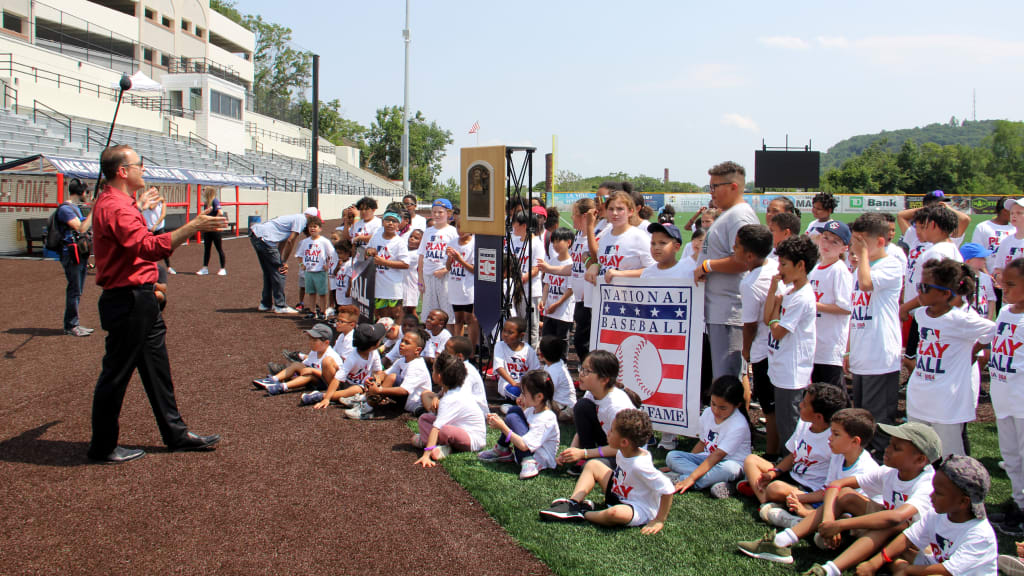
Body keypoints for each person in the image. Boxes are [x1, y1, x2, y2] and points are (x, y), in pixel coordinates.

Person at [87, 144, 226, 463]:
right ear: (122, 171)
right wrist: (193, 227)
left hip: (138, 300)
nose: (143, 168)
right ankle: (103, 446)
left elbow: (136, 242)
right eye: (139, 164)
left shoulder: (117, 202)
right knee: (116, 374)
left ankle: (175, 434)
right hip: (129, 301)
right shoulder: (118, 207)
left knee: (156, 369)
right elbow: (147, 248)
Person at [739, 421, 940, 574]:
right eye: (890, 443)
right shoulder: (889, 472)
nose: (887, 448)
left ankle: (830, 569)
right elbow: (836, 486)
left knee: (895, 530)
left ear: (920, 459)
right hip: (882, 532)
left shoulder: (927, 483)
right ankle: (781, 542)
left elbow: (896, 518)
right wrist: (828, 520)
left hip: (914, 546)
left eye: (896, 448)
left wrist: (840, 525)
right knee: (846, 496)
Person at [903, 259, 993, 456]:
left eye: (925, 287)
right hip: (919, 396)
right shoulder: (921, 315)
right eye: (919, 285)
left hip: (947, 403)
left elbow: (995, 331)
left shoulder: (962, 320)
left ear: (945, 294)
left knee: (950, 458)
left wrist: (974, 350)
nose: (919, 291)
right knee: (918, 452)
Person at [855, 455, 996, 576]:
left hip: (946, 572)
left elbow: (947, 570)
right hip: (933, 564)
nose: (931, 496)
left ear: (963, 501)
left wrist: (907, 570)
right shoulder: (937, 513)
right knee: (894, 549)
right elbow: (908, 538)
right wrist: (874, 563)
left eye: (939, 493)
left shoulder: (980, 535)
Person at [540, 409, 674, 535]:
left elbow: (667, 488)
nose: (608, 432)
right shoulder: (623, 451)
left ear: (624, 442)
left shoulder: (640, 465)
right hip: (618, 492)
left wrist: (659, 519)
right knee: (593, 465)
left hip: (637, 507)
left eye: (612, 430)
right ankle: (573, 503)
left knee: (615, 514)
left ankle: (582, 513)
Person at [759, 407, 879, 528]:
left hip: (848, 516)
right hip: (827, 505)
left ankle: (800, 519)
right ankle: (803, 518)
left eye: (836, 434)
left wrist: (804, 507)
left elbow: (844, 506)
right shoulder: (838, 456)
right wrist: (799, 498)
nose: (830, 438)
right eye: (831, 432)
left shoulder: (865, 469)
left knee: (829, 531)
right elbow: (826, 491)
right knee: (776, 488)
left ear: (855, 442)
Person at [694, 161, 759, 381]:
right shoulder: (729, 214)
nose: (711, 192)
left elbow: (745, 259)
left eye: (715, 186)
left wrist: (707, 266)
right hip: (719, 309)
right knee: (722, 379)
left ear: (733, 186)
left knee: (727, 381)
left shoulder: (739, 216)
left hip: (730, 310)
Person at [848, 213, 906, 455]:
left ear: (880, 241)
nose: (855, 247)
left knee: (878, 421)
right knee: (862, 419)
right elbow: (855, 312)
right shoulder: (861, 268)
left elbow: (866, 285)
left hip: (881, 354)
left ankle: (882, 466)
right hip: (863, 354)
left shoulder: (891, 264)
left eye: (861, 242)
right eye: (854, 242)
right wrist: (849, 349)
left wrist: (861, 255)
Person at [740, 382, 846, 507]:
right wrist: (774, 472)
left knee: (776, 488)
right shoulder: (804, 423)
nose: (800, 405)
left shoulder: (834, 440)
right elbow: (793, 455)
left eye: (805, 405)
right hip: (791, 476)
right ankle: (765, 500)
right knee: (751, 460)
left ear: (818, 417)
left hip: (808, 488)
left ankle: (765, 495)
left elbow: (831, 484)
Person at [765, 235, 819, 447]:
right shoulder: (790, 291)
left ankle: (791, 466)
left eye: (784, 264)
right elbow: (767, 318)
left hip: (792, 371)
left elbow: (777, 330)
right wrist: (773, 291)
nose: (779, 269)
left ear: (801, 265)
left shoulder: (802, 296)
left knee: (791, 424)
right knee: (784, 421)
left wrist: (776, 310)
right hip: (782, 366)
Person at [664, 375, 752, 498]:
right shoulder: (707, 413)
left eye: (723, 408)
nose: (716, 410)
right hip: (707, 459)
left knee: (728, 469)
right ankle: (718, 483)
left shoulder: (739, 424)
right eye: (713, 404)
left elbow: (718, 455)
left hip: (732, 464)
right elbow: (702, 443)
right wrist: (679, 464)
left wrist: (691, 477)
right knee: (672, 456)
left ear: (737, 405)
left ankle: (681, 479)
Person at [735, 224, 780, 458]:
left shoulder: (750, 282)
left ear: (749, 255)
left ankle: (772, 453)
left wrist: (745, 350)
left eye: (737, 247)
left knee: (770, 406)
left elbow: (750, 324)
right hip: (779, 347)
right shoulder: (774, 266)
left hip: (764, 348)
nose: (734, 250)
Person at [556, 350, 636, 475]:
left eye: (587, 371)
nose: (581, 374)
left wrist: (584, 453)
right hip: (610, 440)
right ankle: (587, 458)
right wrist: (571, 450)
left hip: (627, 454)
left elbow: (623, 447)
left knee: (591, 467)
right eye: (581, 369)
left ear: (604, 379)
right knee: (581, 406)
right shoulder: (591, 393)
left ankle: (589, 459)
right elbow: (582, 428)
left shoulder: (616, 406)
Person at [988, 257, 1024, 535]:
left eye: (1011, 284)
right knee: (1011, 456)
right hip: (1003, 399)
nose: (1003, 288)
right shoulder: (1005, 312)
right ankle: (1019, 504)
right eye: (1003, 282)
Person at [479, 370, 561, 479]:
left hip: (537, 458)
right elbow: (519, 425)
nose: (521, 396)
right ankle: (502, 449)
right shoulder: (532, 410)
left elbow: (523, 445)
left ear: (539, 397)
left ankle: (529, 463)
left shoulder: (547, 418)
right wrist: (522, 407)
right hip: (528, 450)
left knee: (512, 416)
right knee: (514, 411)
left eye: (524, 393)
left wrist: (502, 427)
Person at [412, 352, 487, 467]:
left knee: (444, 430)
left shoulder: (450, 399)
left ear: (439, 376)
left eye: (433, 370)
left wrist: (426, 455)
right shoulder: (450, 391)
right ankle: (439, 445)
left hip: (473, 438)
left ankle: (439, 447)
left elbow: (436, 428)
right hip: (457, 427)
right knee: (424, 418)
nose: (432, 373)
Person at [808, 221, 853, 388]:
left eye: (835, 241)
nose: (827, 244)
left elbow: (846, 307)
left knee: (831, 394)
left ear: (844, 248)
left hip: (830, 346)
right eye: (825, 238)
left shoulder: (839, 270)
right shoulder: (816, 268)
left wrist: (814, 304)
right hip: (815, 344)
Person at [351, 329, 431, 420]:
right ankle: (364, 399)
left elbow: (404, 391)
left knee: (392, 377)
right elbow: (383, 374)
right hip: (404, 400)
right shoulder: (401, 360)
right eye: (402, 341)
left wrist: (379, 390)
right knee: (382, 376)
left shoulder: (417, 366)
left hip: (412, 403)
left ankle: (367, 409)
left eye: (407, 343)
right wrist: (375, 381)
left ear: (417, 350)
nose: (401, 344)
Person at [250, 208, 317, 314]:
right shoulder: (302, 219)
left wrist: (280, 259)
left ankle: (265, 304)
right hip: (265, 239)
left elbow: (284, 240)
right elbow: (291, 240)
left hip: (257, 235)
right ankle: (280, 305)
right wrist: (284, 262)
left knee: (269, 272)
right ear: (310, 217)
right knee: (280, 272)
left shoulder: (294, 218)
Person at [309, 322, 385, 409]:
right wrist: (326, 399)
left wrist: (375, 381)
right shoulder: (353, 358)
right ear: (374, 345)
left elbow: (379, 371)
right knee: (327, 361)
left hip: (361, 386)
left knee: (359, 388)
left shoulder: (374, 353)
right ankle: (326, 396)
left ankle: (325, 396)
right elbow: (338, 378)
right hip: (346, 384)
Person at [251, 323, 341, 395]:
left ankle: (282, 387)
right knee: (297, 365)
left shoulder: (332, 356)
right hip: (316, 380)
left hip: (328, 384)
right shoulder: (314, 352)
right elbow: (305, 365)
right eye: (310, 339)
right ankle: (273, 379)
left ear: (326, 342)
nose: (310, 342)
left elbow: (336, 377)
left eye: (314, 340)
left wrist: (312, 371)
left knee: (309, 375)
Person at [57, 177, 94, 337]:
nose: (87, 195)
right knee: (74, 289)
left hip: (80, 253)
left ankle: (74, 323)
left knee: (77, 290)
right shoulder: (65, 209)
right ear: (81, 192)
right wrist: (94, 211)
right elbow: (80, 228)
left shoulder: (75, 208)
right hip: (71, 254)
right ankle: (71, 325)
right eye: (86, 192)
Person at [418, 199, 458, 331]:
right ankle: (431, 340)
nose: (437, 215)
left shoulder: (453, 231)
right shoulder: (428, 231)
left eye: (440, 212)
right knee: (429, 313)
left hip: (445, 276)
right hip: (428, 275)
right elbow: (422, 255)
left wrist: (445, 270)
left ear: (448, 213)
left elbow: (456, 256)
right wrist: (420, 278)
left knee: (448, 313)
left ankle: (449, 343)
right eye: (434, 212)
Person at [510, 209, 546, 349]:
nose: (513, 227)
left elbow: (536, 269)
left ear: (524, 225)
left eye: (516, 224)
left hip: (530, 290)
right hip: (514, 289)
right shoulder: (515, 241)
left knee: (531, 324)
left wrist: (521, 279)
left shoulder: (536, 243)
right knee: (517, 322)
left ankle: (530, 352)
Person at [366, 210, 411, 321]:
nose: (390, 223)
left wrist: (384, 262)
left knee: (396, 315)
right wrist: (368, 251)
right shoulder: (376, 237)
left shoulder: (399, 242)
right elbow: (366, 252)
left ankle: (397, 336)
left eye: (394, 221)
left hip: (393, 287)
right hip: (377, 285)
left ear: (398, 225)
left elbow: (405, 264)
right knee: (380, 316)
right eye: (388, 220)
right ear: (382, 222)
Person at [540, 227, 575, 343]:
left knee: (561, 340)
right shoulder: (552, 261)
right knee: (546, 339)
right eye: (553, 242)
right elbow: (547, 285)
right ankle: (547, 360)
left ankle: (562, 361)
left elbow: (570, 290)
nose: (555, 245)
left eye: (558, 241)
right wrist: (543, 300)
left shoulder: (571, 264)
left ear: (568, 242)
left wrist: (557, 304)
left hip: (563, 312)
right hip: (550, 310)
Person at [493, 317, 541, 401]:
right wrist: (514, 383)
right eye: (504, 331)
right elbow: (499, 368)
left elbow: (535, 371)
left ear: (521, 335)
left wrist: (527, 385)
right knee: (516, 392)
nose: (505, 334)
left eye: (510, 332)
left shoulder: (528, 350)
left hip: (525, 385)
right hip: (508, 384)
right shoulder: (499, 346)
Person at [446, 219, 478, 345]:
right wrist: (449, 260)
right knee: (457, 319)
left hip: (469, 287)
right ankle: (457, 348)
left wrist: (459, 259)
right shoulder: (452, 242)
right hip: (455, 286)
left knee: (470, 319)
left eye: (463, 227)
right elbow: (448, 268)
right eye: (458, 227)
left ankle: (471, 350)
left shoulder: (475, 243)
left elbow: (475, 270)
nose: (460, 231)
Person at [300, 217, 337, 321]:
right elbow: (299, 255)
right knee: (311, 292)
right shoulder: (305, 242)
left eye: (315, 227)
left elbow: (332, 254)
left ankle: (322, 311)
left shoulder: (324, 241)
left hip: (320, 271)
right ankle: (312, 311)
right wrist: (301, 265)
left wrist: (328, 265)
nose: (312, 229)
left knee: (322, 293)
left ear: (320, 228)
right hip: (309, 271)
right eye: (310, 227)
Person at [972, 200, 1014, 283]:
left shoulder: (1016, 229)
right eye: (1013, 212)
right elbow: (977, 254)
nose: (1015, 215)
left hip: (1011, 281)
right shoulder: (983, 227)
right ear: (1005, 211)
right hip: (989, 279)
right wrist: (989, 278)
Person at [539, 334, 576, 421]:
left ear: (541, 355)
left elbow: (545, 392)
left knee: (538, 400)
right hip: (560, 405)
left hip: (565, 409)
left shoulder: (555, 370)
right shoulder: (556, 364)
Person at [139, 186, 173, 274]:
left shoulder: (162, 202)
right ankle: (148, 268)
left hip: (158, 227)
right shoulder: (147, 201)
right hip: (148, 228)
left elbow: (163, 214)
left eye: (155, 191)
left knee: (163, 248)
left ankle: (169, 267)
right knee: (147, 248)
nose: (153, 192)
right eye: (151, 191)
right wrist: (158, 200)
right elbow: (151, 207)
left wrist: (156, 224)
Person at [197, 187, 226, 276]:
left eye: (204, 190)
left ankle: (222, 268)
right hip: (208, 228)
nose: (203, 192)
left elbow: (220, 212)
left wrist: (214, 220)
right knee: (207, 249)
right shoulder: (206, 203)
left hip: (215, 229)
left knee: (219, 248)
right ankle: (205, 268)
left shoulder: (215, 201)